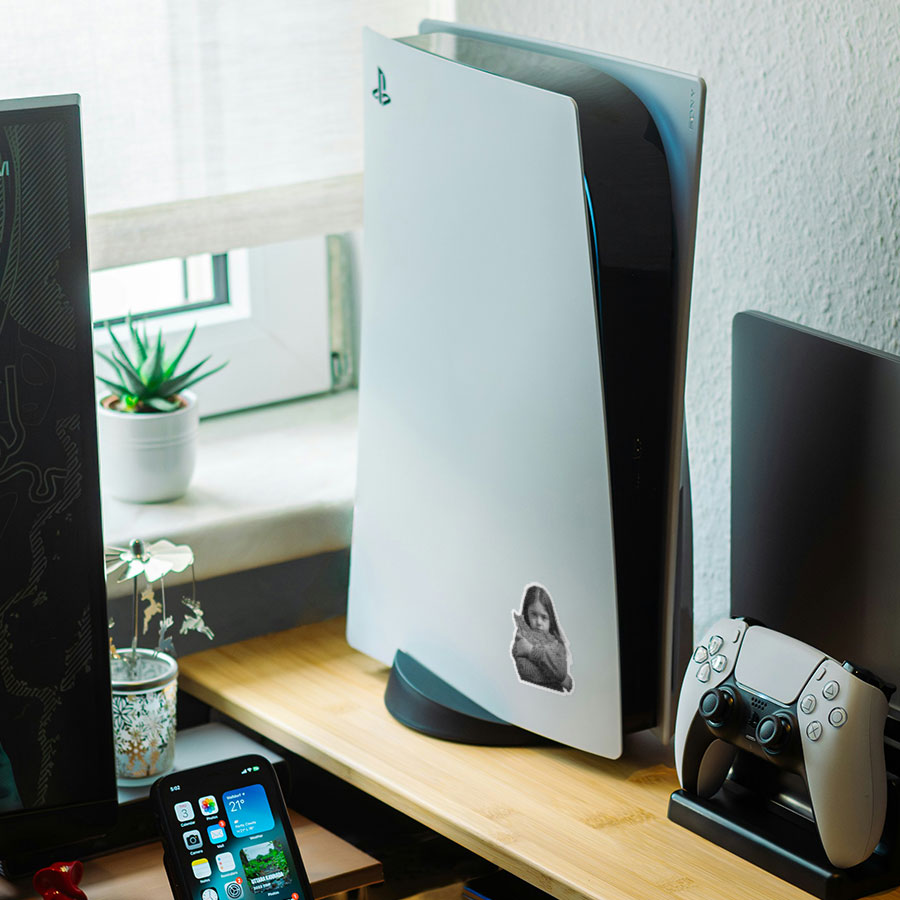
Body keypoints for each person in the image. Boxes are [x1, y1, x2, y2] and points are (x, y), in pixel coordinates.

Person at [511, 585, 573, 692]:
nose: (539, 622)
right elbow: (525, 671)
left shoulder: (556, 642)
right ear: (526, 614)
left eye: (544, 617)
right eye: (534, 615)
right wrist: (561, 679)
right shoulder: (521, 638)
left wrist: (531, 650)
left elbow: (560, 671)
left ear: (551, 619)